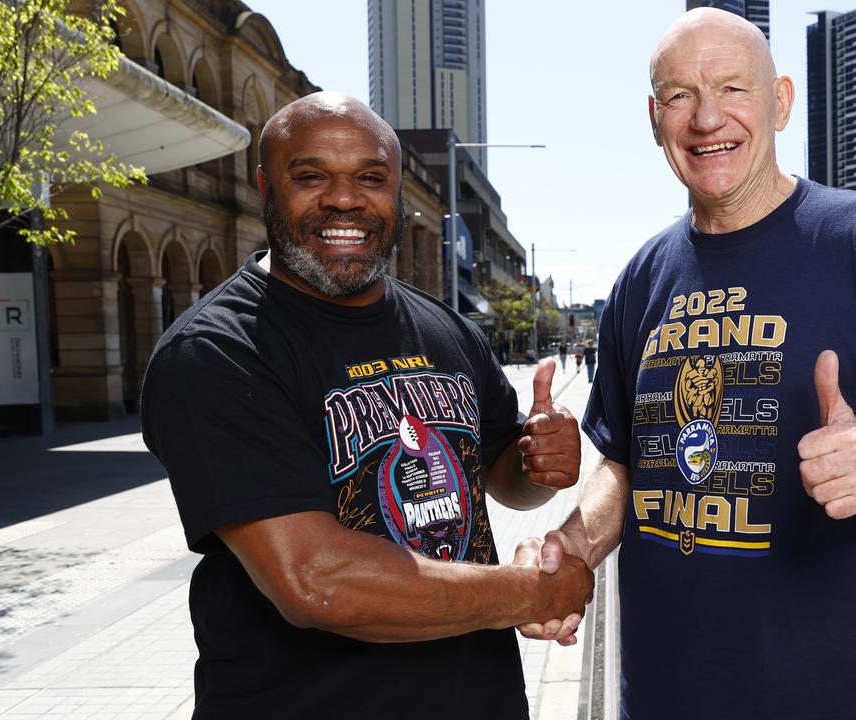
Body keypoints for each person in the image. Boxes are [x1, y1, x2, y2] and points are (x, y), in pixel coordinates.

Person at [511, 10, 856, 719]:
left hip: (834, 698)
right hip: (664, 696)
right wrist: (574, 547)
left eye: (733, 88)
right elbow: (625, 463)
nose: (707, 118)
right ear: (654, 117)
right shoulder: (642, 277)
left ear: (782, 101)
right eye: (679, 96)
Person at [139, 93, 592, 718]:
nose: (344, 199)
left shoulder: (447, 330)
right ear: (267, 187)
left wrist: (540, 462)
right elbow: (317, 582)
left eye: (370, 178)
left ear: (398, 194)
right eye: (311, 176)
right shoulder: (218, 350)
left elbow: (503, 481)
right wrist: (530, 594)